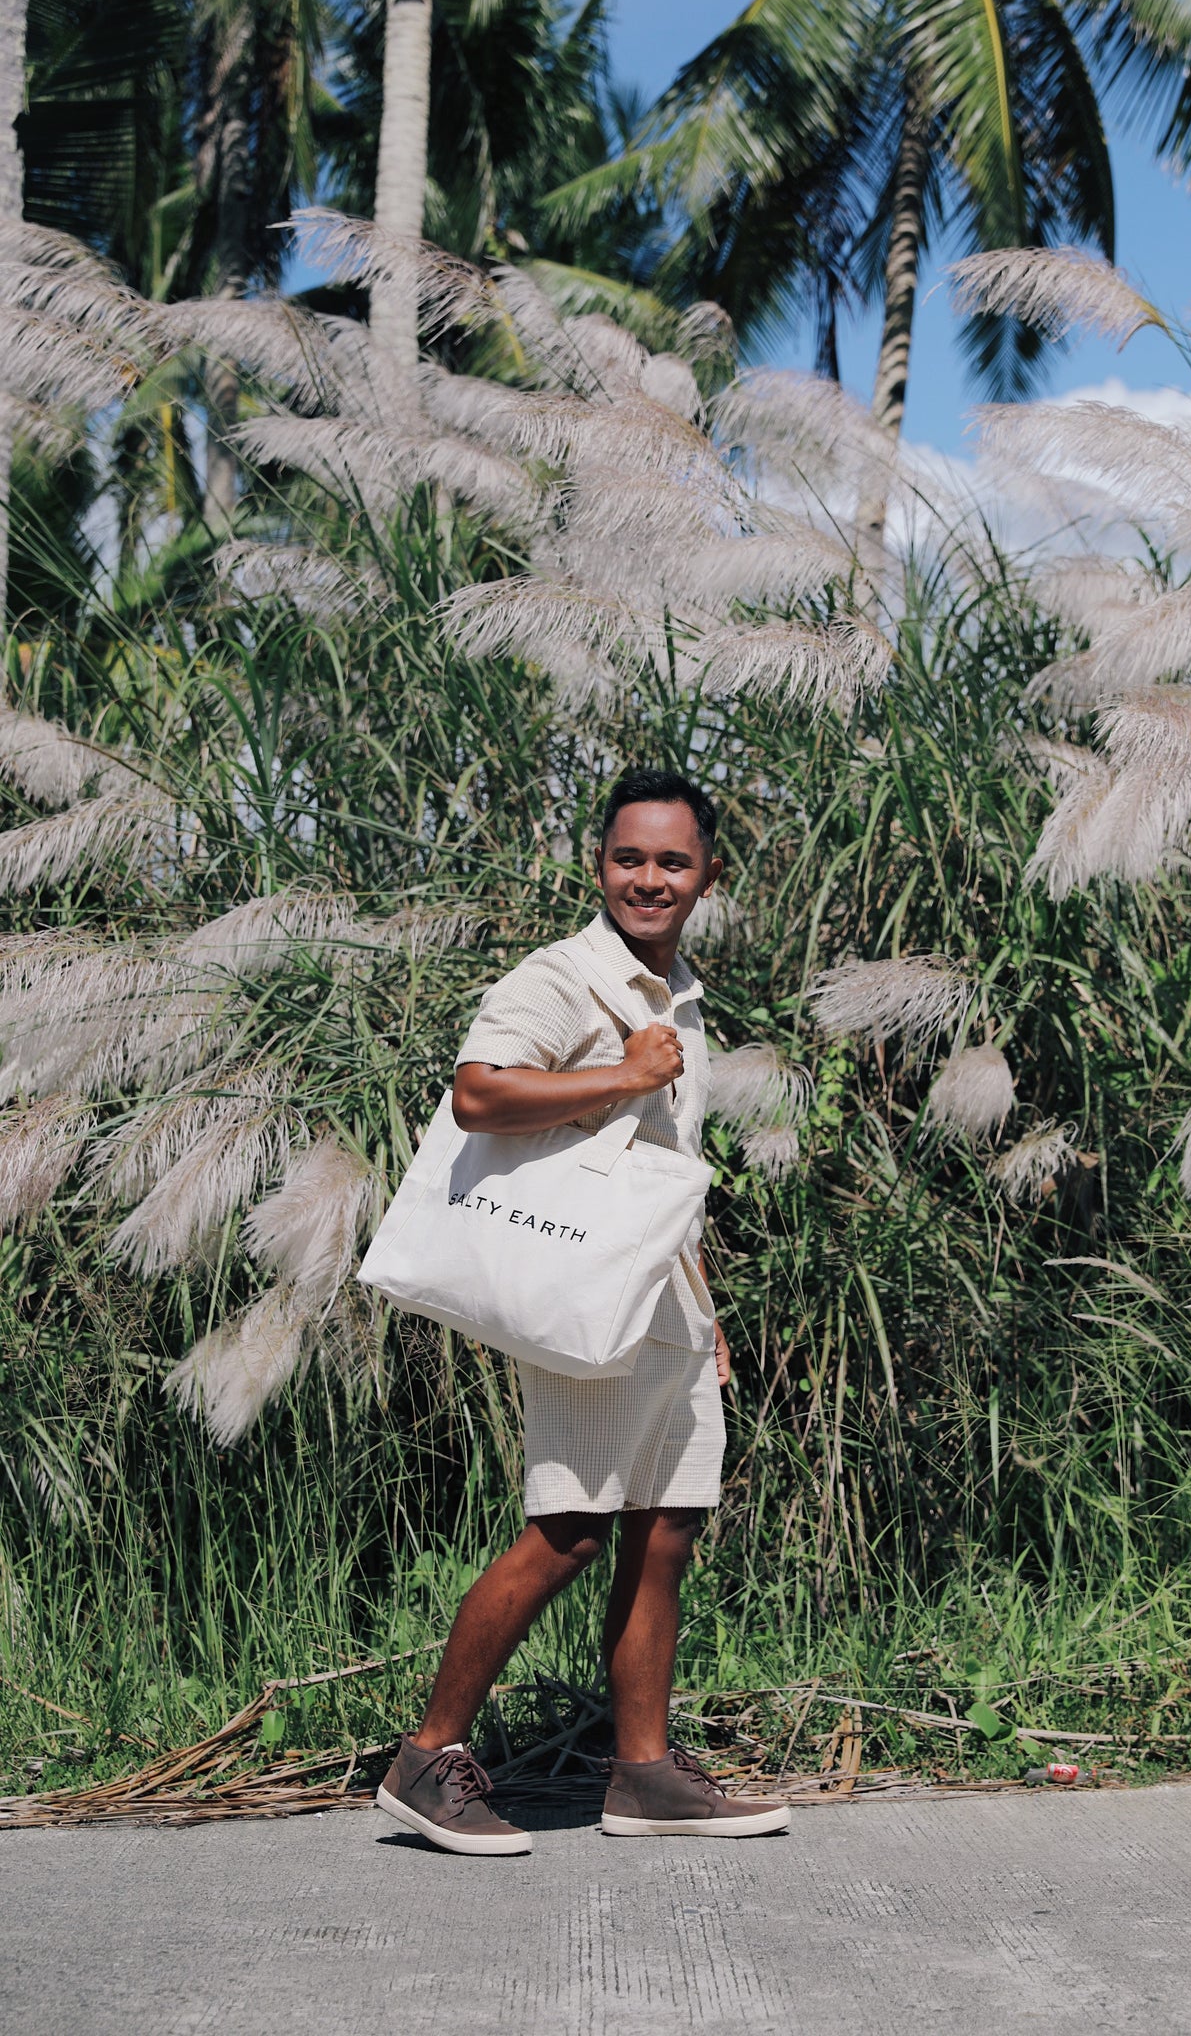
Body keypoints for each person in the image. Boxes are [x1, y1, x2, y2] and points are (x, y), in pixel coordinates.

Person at [376, 768, 791, 1854]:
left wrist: (706, 1312)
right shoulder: (564, 977)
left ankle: (642, 1776)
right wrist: (617, 1075)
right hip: (581, 1297)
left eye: (671, 861)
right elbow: (478, 1091)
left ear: (707, 875)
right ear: (595, 862)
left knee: (665, 1531)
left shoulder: (678, 991)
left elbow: (666, 1168)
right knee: (568, 1527)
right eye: (626, 858)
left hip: (666, 1303)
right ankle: (425, 1757)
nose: (646, 879)